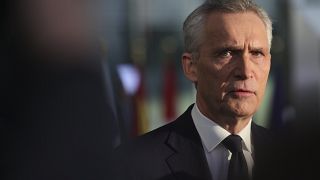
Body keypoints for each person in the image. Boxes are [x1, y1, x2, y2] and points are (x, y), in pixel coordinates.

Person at [113, 0, 273, 180]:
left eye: (257, 53)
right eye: (227, 53)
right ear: (191, 67)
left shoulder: (293, 159)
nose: (245, 71)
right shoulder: (132, 164)